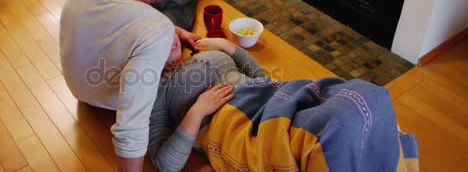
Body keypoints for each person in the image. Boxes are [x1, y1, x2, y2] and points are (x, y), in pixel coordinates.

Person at [148, 37, 420, 172]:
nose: (170, 34)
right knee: (340, 125)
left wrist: (229, 48)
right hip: (237, 123)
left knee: (369, 95)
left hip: (272, 98)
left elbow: (260, 78)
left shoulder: (201, 52)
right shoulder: (156, 96)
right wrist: (197, 111)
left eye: (169, 29)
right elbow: (164, 162)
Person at [59, 0, 209, 171]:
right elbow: (132, 122)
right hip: (105, 97)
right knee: (179, 2)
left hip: (79, 87)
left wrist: (173, 31)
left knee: (171, 13)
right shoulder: (156, 28)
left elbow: (112, 23)